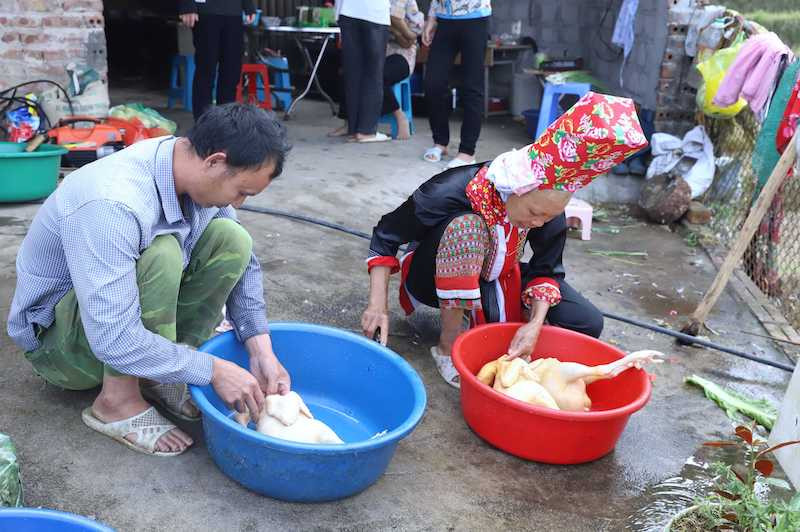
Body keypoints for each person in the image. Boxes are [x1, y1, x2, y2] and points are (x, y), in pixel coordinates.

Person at [7, 104, 292, 456]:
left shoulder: (187, 168)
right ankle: (116, 401)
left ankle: (159, 373)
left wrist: (260, 349)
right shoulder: (113, 204)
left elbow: (244, 266)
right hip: (64, 350)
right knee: (162, 253)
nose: (241, 202)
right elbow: (113, 339)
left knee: (232, 240)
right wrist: (212, 369)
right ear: (215, 162)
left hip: (115, 333)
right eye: (241, 192)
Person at [361, 92, 648, 388]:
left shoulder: (547, 206)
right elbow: (386, 235)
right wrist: (377, 305)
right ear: (517, 189)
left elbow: (546, 269)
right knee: (467, 229)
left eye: (547, 217)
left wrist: (535, 324)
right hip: (432, 277)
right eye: (534, 213)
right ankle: (448, 347)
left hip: (497, 274)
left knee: (586, 322)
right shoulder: (450, 189)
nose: (539, 223)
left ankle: (512, 336)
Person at [330, 0, 424, 140]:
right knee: (351, 73)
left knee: (375, 76)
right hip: (378, 40)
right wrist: (396, 29)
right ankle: (352, 125)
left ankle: (399, 117)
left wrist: (401, 32)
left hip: (401, 55)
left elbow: (409, 37)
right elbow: (394, 19)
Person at [422, 0, 491, 168]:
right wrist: (432, 18)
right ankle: (440, 142)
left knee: (471, 87)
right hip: (445, 18)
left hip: (475, 18)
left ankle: (467, 152)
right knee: (433, 83)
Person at [179, 0, 256, 121]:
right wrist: (187, 5)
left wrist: (248, 5)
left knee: (231, 71)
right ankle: (203, 122)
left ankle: (226, 122)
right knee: (206, 70)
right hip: (206, 10)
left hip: (234, 13)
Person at [335, 0, 392, 142]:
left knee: (353, 74)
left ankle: (354, 129)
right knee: (373, 74)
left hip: (347, 11)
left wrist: (338, 14)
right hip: (374, 13)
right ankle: (366, 131)